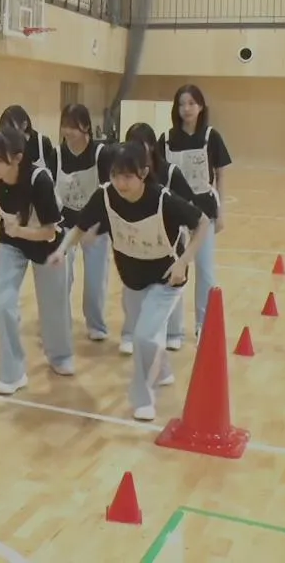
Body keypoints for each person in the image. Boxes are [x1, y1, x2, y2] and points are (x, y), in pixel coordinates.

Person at [48, 142, 209, 421]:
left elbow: (203, 222)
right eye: (115, 175)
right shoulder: (105, 196)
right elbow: (80, 226)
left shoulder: (163, 199)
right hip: (132, 279)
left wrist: (184, 261)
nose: (120, 183)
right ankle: (163, 370)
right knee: (145, 335)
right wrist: (62, 250)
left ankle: (144, 400)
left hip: (167, 279)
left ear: (144, 173)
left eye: (127, 177)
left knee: (143, 337)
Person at [0, 126, 72, 395]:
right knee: (2, 303)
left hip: (48, 246)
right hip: (12, 244)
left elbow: (50, 231)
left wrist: (19, 231)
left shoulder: (40, 180)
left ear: (17, 158)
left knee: (53, 307)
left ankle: (60, 356)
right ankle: (13, 372)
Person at [160, 84, 232, 339]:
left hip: (204, 212)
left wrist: (221, 212)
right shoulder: (166, 139)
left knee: (205, 270)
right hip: (175, 211)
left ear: (201, 106)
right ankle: (173, 329)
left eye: (191, 103)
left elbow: (221, 175)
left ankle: (203, 324)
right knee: (175, 268)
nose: (186, 109)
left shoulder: (211, 136)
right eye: (182, 104)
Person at [125, 122, 195, 351]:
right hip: (137, 238)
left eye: (141, 144)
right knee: (133, 287)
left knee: (171, 284)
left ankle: (174, 332)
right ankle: (131, 332)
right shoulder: (127, 172)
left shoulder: (170, 172)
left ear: (152, 146)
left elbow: (189, 205)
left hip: (169, 239)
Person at [56, 103, 111, 343]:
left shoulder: (101, 154)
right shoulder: (57, 154)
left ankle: (96, 325)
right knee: (61, 275)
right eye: (64, 125)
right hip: (66, 222)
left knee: (95, 280)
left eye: (73, 126)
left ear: (86, 127)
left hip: (95, 224)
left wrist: (98, 228)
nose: (68, 131)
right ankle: (60, 322)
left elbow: (110, 194)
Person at [0, 105, 59, 173]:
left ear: (24, 125)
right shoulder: (6, 145)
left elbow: (52, 173)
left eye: (11, 130)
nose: (8, 135)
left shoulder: (42, 143)